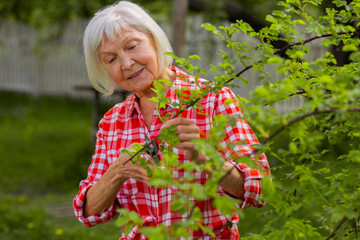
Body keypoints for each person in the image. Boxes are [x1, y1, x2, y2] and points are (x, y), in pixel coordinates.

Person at [73, 1, 270, 239]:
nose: (126, 64)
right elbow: (88, 212)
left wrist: (205, 156)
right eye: (111, 59)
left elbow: (260, 189)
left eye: (132, 46)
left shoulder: (211, 100)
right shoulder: (113, 122)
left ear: (154, 39)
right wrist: (117, 172)